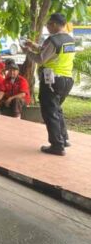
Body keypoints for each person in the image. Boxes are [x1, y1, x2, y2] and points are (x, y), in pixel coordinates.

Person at [22, 13, 75, 156]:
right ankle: (63, 139)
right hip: (67, 80)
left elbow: (40, 59)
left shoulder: (52, 40)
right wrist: (34, 45)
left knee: (49, 112)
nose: (47, 27)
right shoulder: (69, 39)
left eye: (49, 24)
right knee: (57, 109)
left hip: (52, 80)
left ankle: (57, 145)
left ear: (56, 24)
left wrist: (28, 51)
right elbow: (51, 53)